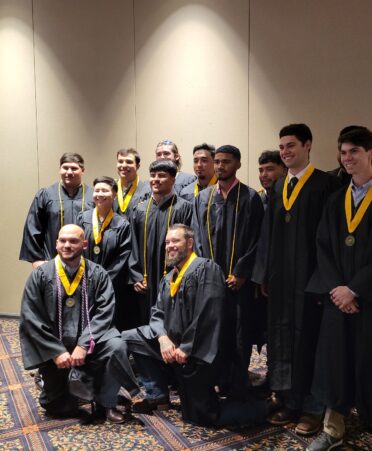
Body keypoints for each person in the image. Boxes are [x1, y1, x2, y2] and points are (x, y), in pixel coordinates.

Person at [110, 224, 277, 427]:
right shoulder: (168, 278)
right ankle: (158, 394)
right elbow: (157, 313)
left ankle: (265, 408)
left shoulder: (206, 269)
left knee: (200, 416)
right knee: (130, 337)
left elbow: (209, 314)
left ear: (189, 243)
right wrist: (162, 338)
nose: (170, 246)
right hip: (173, 346)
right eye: (167, 242)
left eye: (175, 241)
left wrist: (186, 348)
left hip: (201, 353)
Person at [252, 124, 341, 436]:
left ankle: (314, 409)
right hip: (280, 281)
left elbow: (331, 238)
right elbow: (267, 235)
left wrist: (324, 281)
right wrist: (263, 274)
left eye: (291, 146)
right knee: (282, 339)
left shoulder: (325, 185)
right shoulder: (278, 187)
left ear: (308, 146)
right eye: (282, 147)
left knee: (311, 342)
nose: (286, 152)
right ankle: (289, 400)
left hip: (311, 281)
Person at [19, 225, 139, 423]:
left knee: (117, 345)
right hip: (55, 348)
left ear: (84, 244)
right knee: (58, 407)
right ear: (56, 243)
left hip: (90, 344)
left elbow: (105, 312)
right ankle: (60, 383)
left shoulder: (98, 274)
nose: (67, 245)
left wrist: (84, 344)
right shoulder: (40, 275)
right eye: (63, 241)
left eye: (73, 241)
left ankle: (106, 401)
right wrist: (56, 351)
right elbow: (31, 317)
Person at [306, 128, 372, 451]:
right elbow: (323, 249)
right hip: (338, 301)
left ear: (370, 154)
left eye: (354, 152)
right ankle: (333, 429)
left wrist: (355, 290)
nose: (347, 159)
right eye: (343, 153)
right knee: (335, 363)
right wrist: (338, 290)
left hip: (368, 301)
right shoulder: (336, 201)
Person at [192, 145, 264, 397]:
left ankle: (237, 383)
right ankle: (217, 378)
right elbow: (198, 238)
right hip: (212, 281)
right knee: (214, 331)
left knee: (239, 332)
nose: (221, 166)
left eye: (227, 162)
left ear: (238, 164)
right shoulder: (203, 198)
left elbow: (257, 238)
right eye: (218, 162)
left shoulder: (251, 197)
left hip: (239, 282)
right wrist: (208, 273)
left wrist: (242, 272)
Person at [128, 160, 192, 325]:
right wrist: (135, 276)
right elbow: (132, 244)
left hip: (174, 277)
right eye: (152, 175)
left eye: (162, 176)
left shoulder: (184, 208)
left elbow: (189, 245)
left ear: (173, 179)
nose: (155, 179)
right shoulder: (139, 209)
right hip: (145, 278)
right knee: (144, 320)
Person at [19, 153, 94, 268]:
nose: (69, 172)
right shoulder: (46, 195)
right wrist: (36, 259)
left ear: (82, 170)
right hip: (52, 262)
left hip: (87, 263)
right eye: (65, 168)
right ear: (60, 169)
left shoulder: (93, 196)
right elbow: (33, 227)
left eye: (74, 168)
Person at [76, 176, 132, 331]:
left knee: (107, 316)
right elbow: (76, 247)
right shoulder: (83, 218)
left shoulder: (122, 224)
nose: (100, 194)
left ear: (114, 194)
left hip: (111, 282)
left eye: (105, 191)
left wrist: (103, 279)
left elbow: (123, 255)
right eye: (97, 190)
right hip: (83, 278)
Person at [114, 148, 150, 221]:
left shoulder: (147, 191)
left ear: (138, 166)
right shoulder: (111, 189)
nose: (123, 165)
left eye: (129, 162)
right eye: (120, 161)